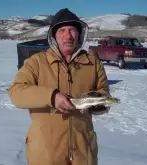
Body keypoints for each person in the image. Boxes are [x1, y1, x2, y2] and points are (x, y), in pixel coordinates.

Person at [8, 8, 111, 165]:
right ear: (53, 36)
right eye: (62, 30)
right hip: (45, 153)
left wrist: (97, 104)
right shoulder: (36, 62)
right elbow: (16, 93)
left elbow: (103, 93)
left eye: (72, 30)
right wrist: (52, 97)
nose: (68, 36)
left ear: (79, 34)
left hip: (83, 152)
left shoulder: (93, 63)